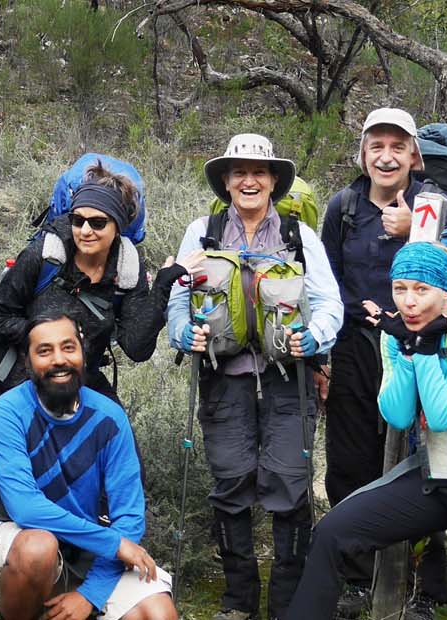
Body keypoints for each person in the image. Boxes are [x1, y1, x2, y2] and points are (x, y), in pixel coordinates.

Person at [286, 242, 447, 620]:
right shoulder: (398, 331)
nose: (409, 302)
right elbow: (398, 415)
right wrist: (404, 347)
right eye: (400, 288)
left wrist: (424, 350)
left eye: (422, 290)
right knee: (332, 532)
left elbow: (443, 415)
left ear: (445, 289)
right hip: (439, 471)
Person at [166, 134, 341, 620]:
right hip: (223, 378)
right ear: (225, 181)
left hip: (289, 377)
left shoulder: (298, 236)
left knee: (289, 483)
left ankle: (287, 603)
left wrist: (315, 337)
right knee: (231, 482)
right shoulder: (201, 232)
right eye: (238, 172)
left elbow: (329, 302)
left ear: (274, 182)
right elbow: (179, 299)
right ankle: (238, 600)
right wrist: (184, 335)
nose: (249, 180)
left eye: (259, 172)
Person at [318, 108, 447, 618]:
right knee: (350, 463)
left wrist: (414, 232)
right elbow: (327, 285)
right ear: (363, 154)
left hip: (422, 346)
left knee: (429, 460)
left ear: (413, 156)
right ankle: (357, 580)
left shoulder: (435, 205)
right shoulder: (343, 207)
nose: (386, 156)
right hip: (356, 345)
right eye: (376, 146)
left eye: (397, 147)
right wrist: (323, 360)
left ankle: (424, 588)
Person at [0, 310, 178, 620]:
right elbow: (25, 508)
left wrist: (90, 595)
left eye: (68, 347)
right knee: (39, 548)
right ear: (28, 361)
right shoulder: (8, 412)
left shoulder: (110, 417)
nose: (58, 360)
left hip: (85, 545)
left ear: (82, 352)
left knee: (158, 614)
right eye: (44, 350)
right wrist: (113, 543)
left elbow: (129, 516)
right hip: (17, 536)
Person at [0, 163, 178, 398]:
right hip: (27, 380)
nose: (85, 231)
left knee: (117, 431)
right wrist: (45, 335)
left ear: (117, 226)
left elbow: (136, 347)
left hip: (84, 383)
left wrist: (161, 288)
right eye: (78, 220)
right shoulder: (46, 255)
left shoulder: (127, 266)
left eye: (98, 223)